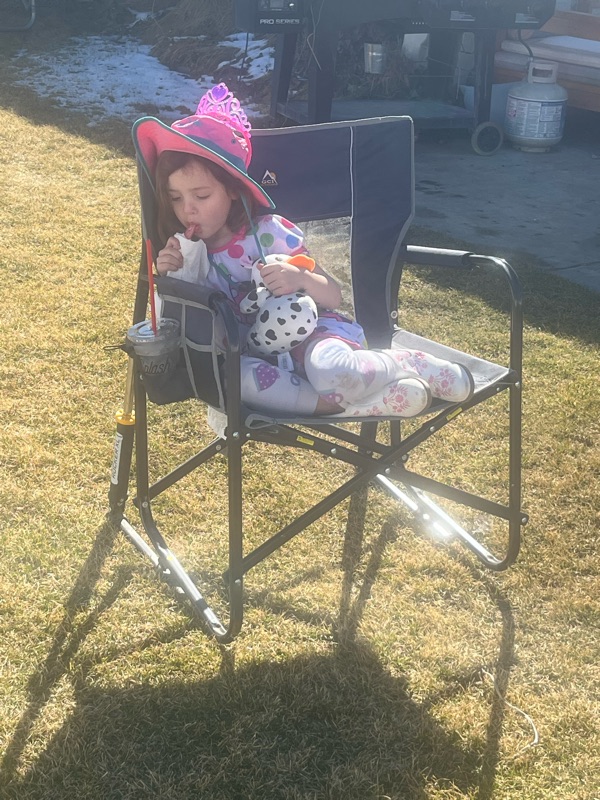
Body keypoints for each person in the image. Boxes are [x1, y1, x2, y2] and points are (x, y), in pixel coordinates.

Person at [133, 83, 473, 417]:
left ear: (234, 190)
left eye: (201, 196)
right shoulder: (190, 257)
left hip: (317, 335)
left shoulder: (270, 233)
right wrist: (173, 277)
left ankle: (411, 365)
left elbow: (333, 295)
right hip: (260, 358)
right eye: (175, 198)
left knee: (328, 369)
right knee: (235, 380)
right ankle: (361, 403)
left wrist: (301, 278)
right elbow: (185, 329)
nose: (188, 210)